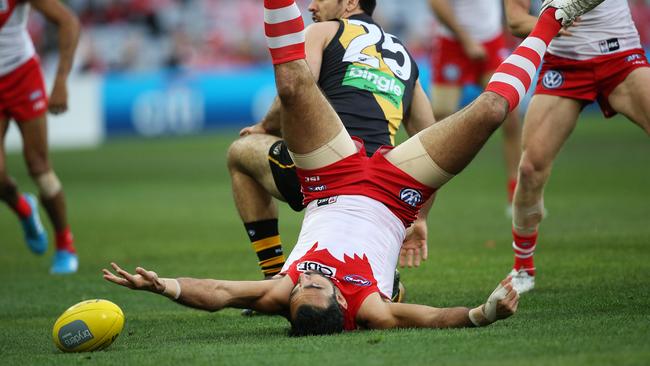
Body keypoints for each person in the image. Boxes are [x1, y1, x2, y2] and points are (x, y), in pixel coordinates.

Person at [104, 0, 604, 335]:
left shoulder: (287, 287)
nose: (305, 280)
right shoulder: (368, 307)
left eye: (300, 286)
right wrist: (479, 314)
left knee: (294, 87)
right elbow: (428, 318)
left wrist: (163, 285)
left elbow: (218, 293)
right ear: (341, 305)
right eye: (315, 286)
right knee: (492, 112)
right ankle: (553, 20)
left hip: (332, 176)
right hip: (392, 191)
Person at [227, 0, 435, 285]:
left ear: (350, 2)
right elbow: (430, 140)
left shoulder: (323, 31)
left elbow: (299, 85)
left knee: (239, 153)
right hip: (382, 185)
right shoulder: (405, 56)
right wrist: (419, 217)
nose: (311, 6)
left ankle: (272, 274)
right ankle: (379, 278)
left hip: (328, 170)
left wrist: (264, 127)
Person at [503, 0, 650, 293]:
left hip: (621, 55)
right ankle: (522, 267)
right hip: (565, 65)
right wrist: (554, 22)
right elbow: (516, 20)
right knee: (530, 169)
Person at [0, 0, 81, 273]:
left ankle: (65, 244)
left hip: (21, 74)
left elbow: (68, 21)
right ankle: (24, 209)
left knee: (39, 167)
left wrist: (60, 81)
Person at [429, 0, 522, 212]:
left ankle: (516, 192)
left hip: (492, 41)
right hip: (453, 42)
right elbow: (436, 4)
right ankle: (423, 192)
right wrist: (467, 40)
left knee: (510, 114)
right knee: (438, 120)